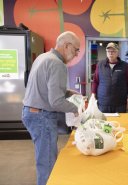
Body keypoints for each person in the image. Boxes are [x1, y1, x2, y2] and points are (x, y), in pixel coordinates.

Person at [22, 31, 81, 185]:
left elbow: (44, 86)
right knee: (47, 163)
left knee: (43, 157)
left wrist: (68, 92)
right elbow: (56, 102)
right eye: (76, 50)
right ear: (67, 46)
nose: (76, 55)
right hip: (42, 116)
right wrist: (77, 108)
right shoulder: (57, 63)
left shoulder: (44, 57)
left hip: (31, 112)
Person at [92, 42, 128, 113]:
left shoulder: (124, 66)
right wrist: (93, 94)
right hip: (103, 103)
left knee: (120, 123)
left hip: (120, 104)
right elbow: (95, 81)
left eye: (113, 51)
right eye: (108, 51)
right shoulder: (100, 65)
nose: (110, 53)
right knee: (103, 123)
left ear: (117, 53)